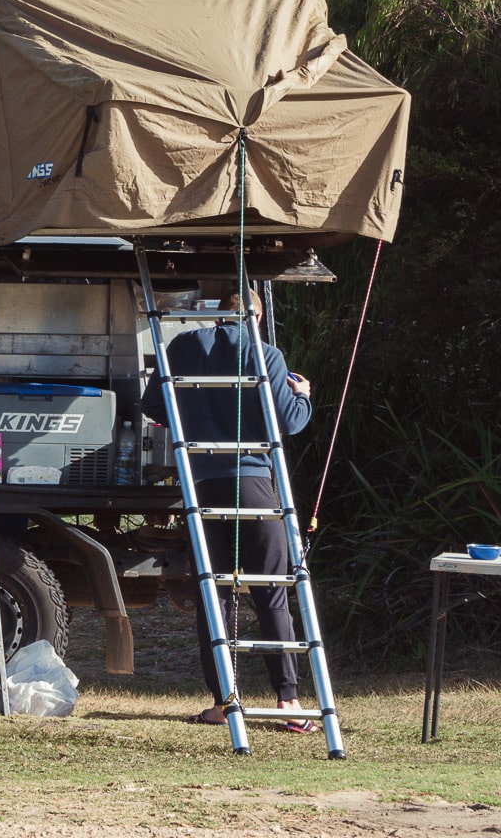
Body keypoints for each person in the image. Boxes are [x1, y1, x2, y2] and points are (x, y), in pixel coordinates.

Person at [147, 287, 316, 733]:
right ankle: (287, 702)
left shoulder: (183, 346)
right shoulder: (267, 355)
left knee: (213, 595)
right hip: (255, 485)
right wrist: (304, 395)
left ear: (217, 314)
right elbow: (290, 420)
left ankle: (224, 704)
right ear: (256, 318)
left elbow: (152, 405)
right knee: (271, 590)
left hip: (203, 486)